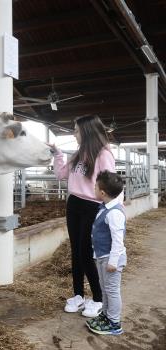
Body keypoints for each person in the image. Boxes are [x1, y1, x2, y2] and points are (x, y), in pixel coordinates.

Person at [48, 115, 117, 318]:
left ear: (86, 132)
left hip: (92, 206)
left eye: (76, 130)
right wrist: (58, 153)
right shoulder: (78, 154)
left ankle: (97, 298)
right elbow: (61, 174)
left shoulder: (103, 155)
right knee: (76, 251)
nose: (74, 133)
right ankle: (78, 295)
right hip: (74, 204)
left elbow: (111, 185)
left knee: (86, 253)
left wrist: (114, 211)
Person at [86, 170, 126, 335]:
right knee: (105, 288)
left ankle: (114, 322)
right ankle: (106, 315)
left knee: (112, 290)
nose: (93, 189)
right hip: (103, 256)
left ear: (102, 192)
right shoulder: (104, 208)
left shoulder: (115, 212)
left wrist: (113, 261)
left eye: (95, 187)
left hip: (111, 259)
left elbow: (118, 240)